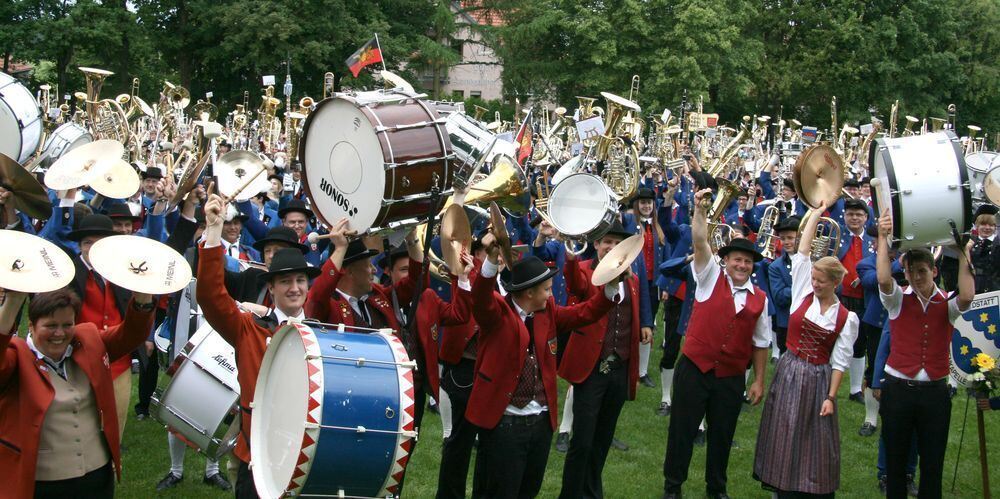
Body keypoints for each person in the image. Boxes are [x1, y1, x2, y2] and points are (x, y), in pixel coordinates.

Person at [469, 231, 619, 498]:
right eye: (547, 290)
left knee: (529, 489)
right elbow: (480, 298)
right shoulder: (496, 314)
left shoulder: (547, 312)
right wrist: (491, 262)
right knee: (498, 491)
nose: (551, 295)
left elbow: (586, 312)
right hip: (505, 424)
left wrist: (610, 287)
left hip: (539, 424)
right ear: (528, 292)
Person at [196, 192, 323, 498]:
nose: (294, 288)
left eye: (300, 281)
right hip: (256, 458)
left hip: (306, 460)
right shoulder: (249, 329)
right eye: (285, 282)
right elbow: (211, 297)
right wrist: (213, 231)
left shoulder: (322, 336)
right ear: (271, 287)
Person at [662, 187, 772, 499]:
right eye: (737, 260)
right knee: (682, 432)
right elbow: (699, 241)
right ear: (726, 260)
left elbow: (761, 343)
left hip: (730, 378)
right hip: (695, 369)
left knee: (722, 435)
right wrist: (699, 210)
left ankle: (716, 488)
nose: (742, 266)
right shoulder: (710, 276)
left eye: (748, 262)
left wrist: (759, 381)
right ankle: (673, 487)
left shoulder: (759, 299)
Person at [0, 287, 155, 499]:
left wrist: (143, 298)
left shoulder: (87, 340)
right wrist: (12, 302)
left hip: (96, 479)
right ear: (31, 325)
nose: (59, 333)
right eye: (50, 326)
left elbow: (131, 334)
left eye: (67, 325)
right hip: (43, 485)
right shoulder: (15, 356)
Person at [753, 201, 859, 497]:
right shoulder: (803, 289)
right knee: (784, 429)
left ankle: (811, 487)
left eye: (821, 282)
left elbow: (840, 360)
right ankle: (780, 487)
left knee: (815, 437)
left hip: (819, 377)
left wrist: (831, 396)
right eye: (813, 278)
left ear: (836, 283)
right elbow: (801, 252)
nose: (815, 284)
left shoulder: (846, 318)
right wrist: (816, 211)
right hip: (791, 368)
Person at [876, 208, 973, 499]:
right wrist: (883, 237)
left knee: (933, 462)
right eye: (911, 271)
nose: (917, 277)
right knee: (895, 461)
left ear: (934, 271)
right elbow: (882, 279)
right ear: (904, 273)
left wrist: (964, 252)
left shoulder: (948, 304)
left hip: (934, 392)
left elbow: (967, 296)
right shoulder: (897, 300)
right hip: (898, 389)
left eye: (922, 271)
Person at [557, 220, 653, 499]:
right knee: (583, 441)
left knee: (602, 439)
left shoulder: (632, 279)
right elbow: (575, 283)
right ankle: (571, 494)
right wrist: (572, 254)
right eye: (606, 242)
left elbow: (638, 305)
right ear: (596, 245)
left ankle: (591, 491)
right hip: (591, 368)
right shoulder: (587, 271)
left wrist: (645, 323)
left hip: (619, 368)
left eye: (616, 243)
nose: (610, 247)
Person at [766, 216, 801, 357]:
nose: (786, 242)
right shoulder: (776, 266)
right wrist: (806, 285)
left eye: (791, 238)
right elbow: (780, 297)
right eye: (783, 238)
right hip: (787, 322)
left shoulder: (814, 261)